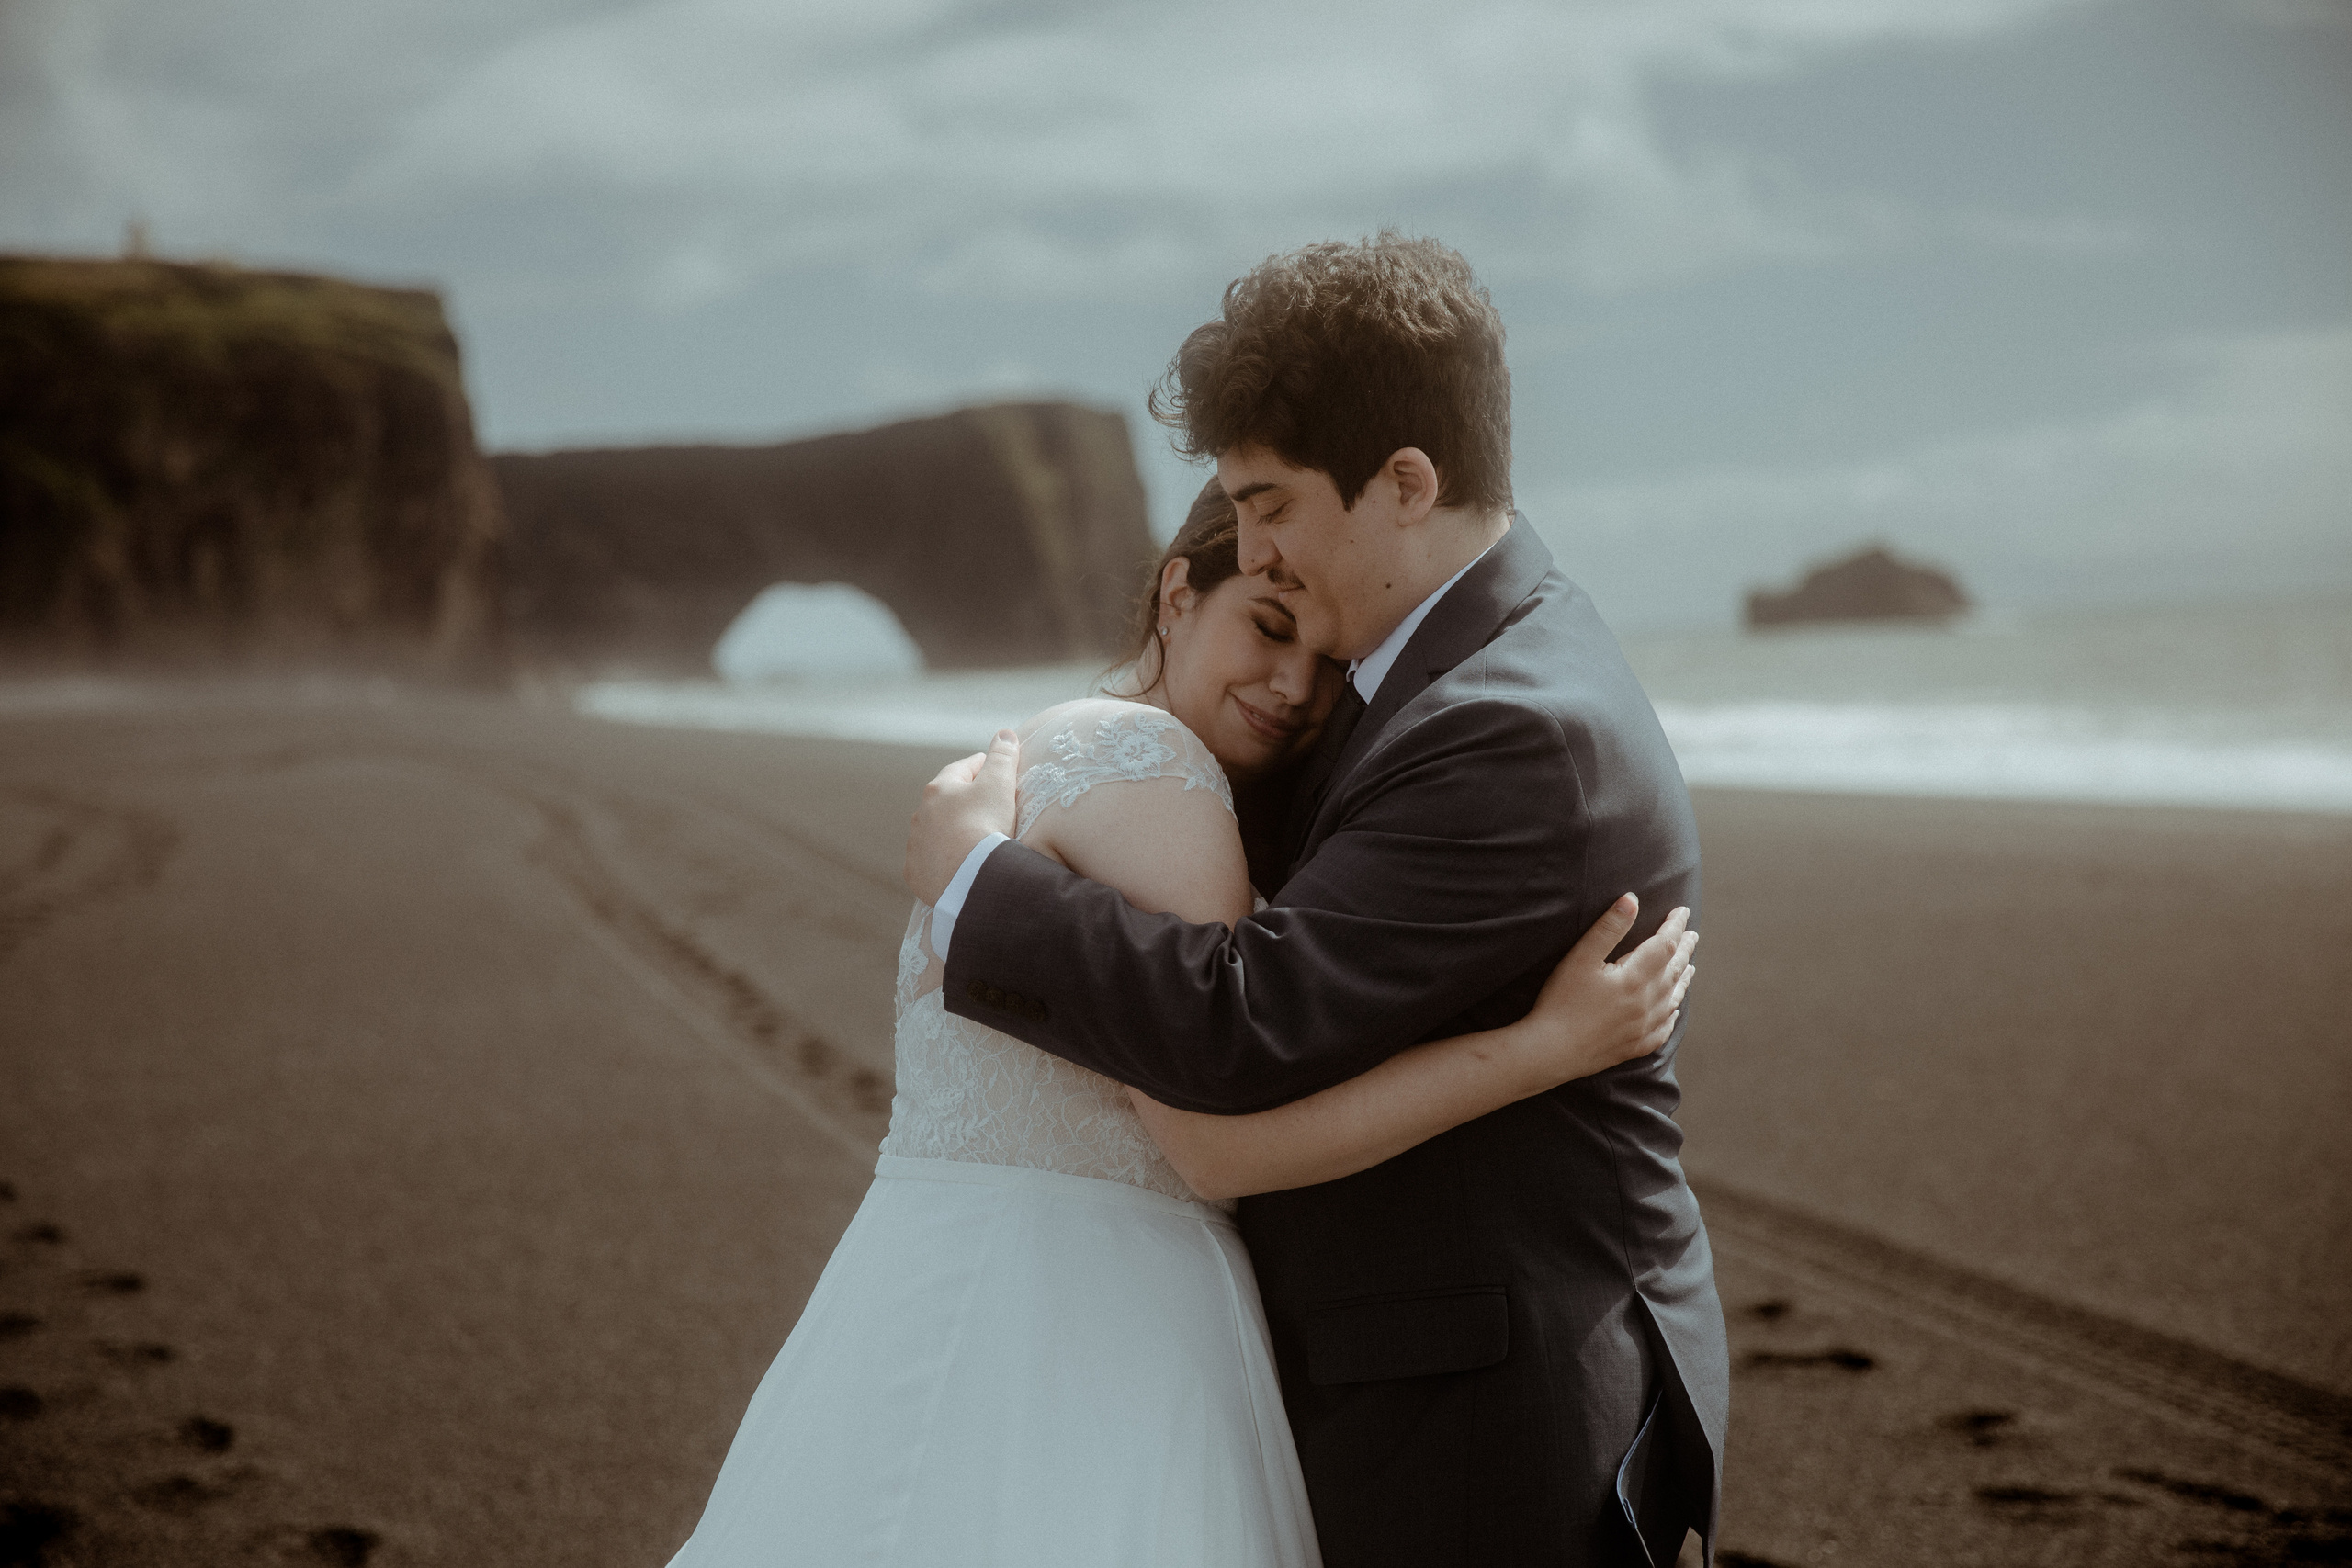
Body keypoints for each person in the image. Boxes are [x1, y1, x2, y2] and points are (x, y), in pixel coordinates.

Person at [665, 482, 1697, 1568]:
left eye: (1325, 662)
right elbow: (1213, 1143)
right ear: (1176, 597)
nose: (1294, 687)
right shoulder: (1160, 773)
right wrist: (1545, 1050)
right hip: (1091, 1327)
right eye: (1265, 624)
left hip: (925, 1277)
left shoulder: (1060, 754)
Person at [906, 234, 1730, 1568]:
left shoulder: (1515, 724)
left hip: (1490, 1407)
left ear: (1407, 482)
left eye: (1272, 500)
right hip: (1411, 1366)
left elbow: (1247, 1021)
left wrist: (978, 889)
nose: (1255, 545)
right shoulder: (1410, 673)